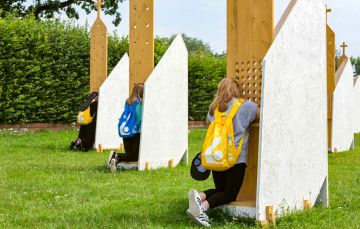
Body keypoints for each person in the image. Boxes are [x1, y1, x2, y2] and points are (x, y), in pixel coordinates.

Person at [186, 78, 260, 227]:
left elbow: (209, 122)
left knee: (220, 189)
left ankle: (199, 197)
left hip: (215, 157)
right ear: (235, 90)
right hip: (235, 159)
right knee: (230, 194)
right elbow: (260, 115)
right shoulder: (245, 107)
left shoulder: (213, 109)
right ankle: (202, 208)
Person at [107, 83, 144, 171]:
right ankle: (116, 155)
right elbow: (138, 119)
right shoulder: (140, 102)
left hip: (125, 130)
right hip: (136, 131)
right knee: (135, 156)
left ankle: (115, 160)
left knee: (129, 153)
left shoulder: (128, 101)